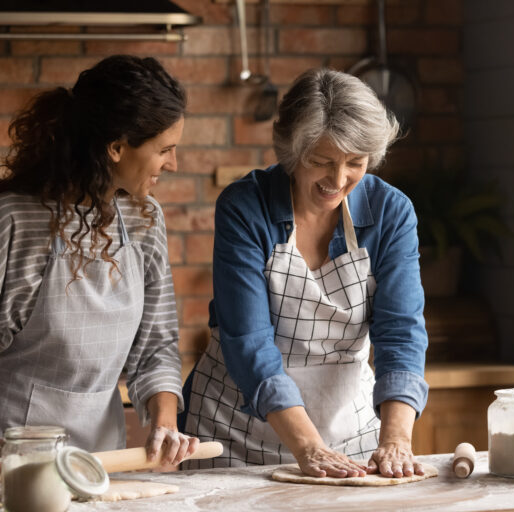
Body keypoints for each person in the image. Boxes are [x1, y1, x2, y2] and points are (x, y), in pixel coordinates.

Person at [0, 55, 198, 470]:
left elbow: (156, 347)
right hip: (11, 457)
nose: (173, 164)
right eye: (164, 150)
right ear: (117, 147)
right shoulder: (10, 220)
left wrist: (165, 423)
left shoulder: (145, 219)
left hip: (103, 460)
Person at [181, 68, 429, 478]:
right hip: (234, 430)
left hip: (349, 432)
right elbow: (249, 342)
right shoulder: (246, 207)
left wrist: (396, 440)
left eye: (356, 163)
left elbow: (401, 331)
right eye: (321, 162)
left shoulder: (391, 212)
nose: (338, 179)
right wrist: (308, 446)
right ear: (292, 153)